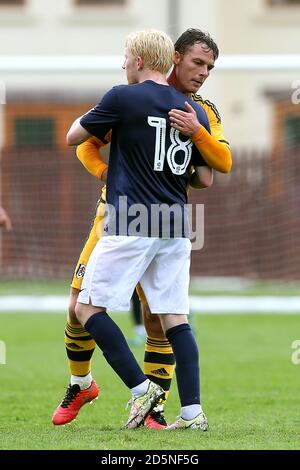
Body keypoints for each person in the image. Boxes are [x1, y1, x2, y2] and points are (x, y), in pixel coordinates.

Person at [52, 28, 231, 429]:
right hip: (174, 222)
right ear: (174, 58)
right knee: (174, 317)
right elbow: (205, 177)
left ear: (136, 60)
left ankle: (144, 393)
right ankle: (192, 411)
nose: (203, 73)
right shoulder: (190, 110)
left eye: (209, 67)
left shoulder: (128, 97)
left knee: (87, 308)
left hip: (129, 217)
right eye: (197, 63)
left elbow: (74, 137)